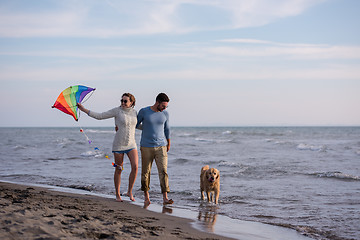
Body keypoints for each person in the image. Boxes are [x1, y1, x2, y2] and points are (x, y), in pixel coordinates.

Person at [77, 93, 138, 202]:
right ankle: (118, 194)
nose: (123, 103)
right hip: (119, 145)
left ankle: (129, 191)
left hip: (132, 144)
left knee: (135, 167)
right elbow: (100, 116)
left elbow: (138, 125)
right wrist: (84, 110)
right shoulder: (117, 111)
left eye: (125, 101)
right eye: (122, 101)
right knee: (119, 169)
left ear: (131, 102)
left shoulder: (135, 112)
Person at [136, 93, 172, 206]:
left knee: (163, 171)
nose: (165, 108)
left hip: (161, 146)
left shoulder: (165, 113)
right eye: (163, 106)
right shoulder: (144, 111)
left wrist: (168, 142)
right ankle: (146, 197)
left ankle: (165, 198)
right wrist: (145, 127)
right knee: (146, 172)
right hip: (146, 146)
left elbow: (167, 128)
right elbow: (135, 124)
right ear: (157, 102)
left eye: (166, 106)